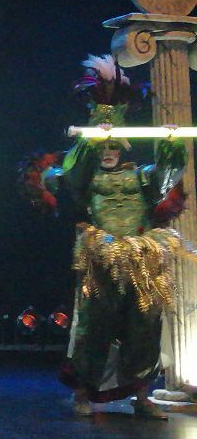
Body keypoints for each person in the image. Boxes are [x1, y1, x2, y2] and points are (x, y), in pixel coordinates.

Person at [45, 55, 186, 418]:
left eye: (112, 146)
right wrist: (90, 144)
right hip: (101, 257)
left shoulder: (140, 176)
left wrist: (171, 144)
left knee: (145, 324)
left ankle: (141, 394)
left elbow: (166, 178)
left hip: (139, 258)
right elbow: (73, 176)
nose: (107, 153)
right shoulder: (85, 176)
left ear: (122, 144)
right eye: (101, 148)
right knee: (96, 325)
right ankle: (83, 391)